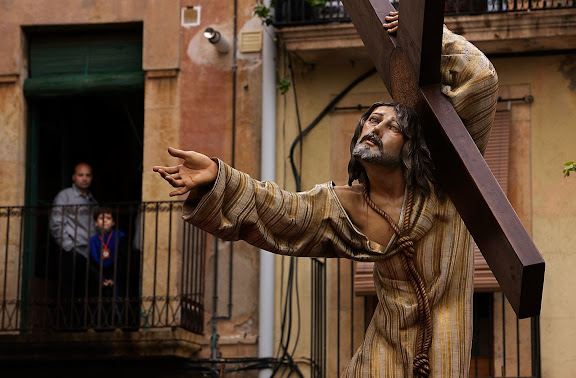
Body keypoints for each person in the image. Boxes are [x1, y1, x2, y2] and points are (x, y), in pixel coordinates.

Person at [153, 16, 498, 378]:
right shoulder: (344, 206)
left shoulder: (447, 181)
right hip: (380, 360)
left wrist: (427, 38)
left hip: (443, 354)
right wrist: (218, 178)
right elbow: (281, 211)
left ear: (412, 146)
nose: (376, 128)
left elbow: (483, 81)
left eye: (393, 126)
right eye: (372, 120)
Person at [49, 162, 98, 327]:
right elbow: (56, 222)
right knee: (67, 292)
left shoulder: (93, 201)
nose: (84, 179)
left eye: (88, 175)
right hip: (71, 250)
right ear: (74, 177)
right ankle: (64, 326)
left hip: (88, 252)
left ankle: (82, 326)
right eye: (81, 175)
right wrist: (68, 246)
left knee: (85, 291)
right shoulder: (65, 196)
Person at [89, 207, 126, 328]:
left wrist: (113, 278)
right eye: (101, 218)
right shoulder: (93, 241)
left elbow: (122, 261)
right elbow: (91, 264)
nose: (105, 221)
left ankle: (117, 324)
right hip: (100, 277)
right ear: (96, 223)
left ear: (113, 222)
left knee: (117, 299)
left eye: (108, 218)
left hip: (116, 276)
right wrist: (102, 279)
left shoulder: (120, 237)